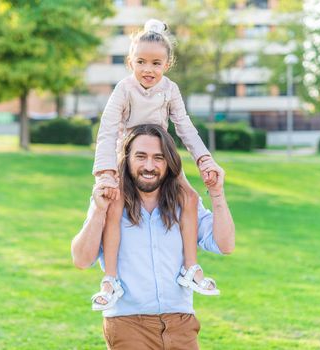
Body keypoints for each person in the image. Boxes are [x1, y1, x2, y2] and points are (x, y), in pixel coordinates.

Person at [91, 18, 223, 311]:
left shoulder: (170, 89)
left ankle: (191, 268)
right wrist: (105, 172)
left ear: (167, 64)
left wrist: (204, 159)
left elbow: (185, 126)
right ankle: (110, 280)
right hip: (129, 158)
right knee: (114, 207)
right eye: (141, 62)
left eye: (155, 63)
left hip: (162, 155)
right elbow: (108, 129)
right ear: (130, 62)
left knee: (189, 198)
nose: (148, 70)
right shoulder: (124, 89)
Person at [72, 124, 235, 349]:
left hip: (181, 324)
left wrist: (217, 193)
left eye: (158, 158)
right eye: (141, 156)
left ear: (169, 162)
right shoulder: (109, 202)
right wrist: (99, 211)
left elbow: (225, 244)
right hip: (128, 324)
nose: (149, 166)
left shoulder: (184, 203)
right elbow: (81, 259)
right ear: (127, 159)